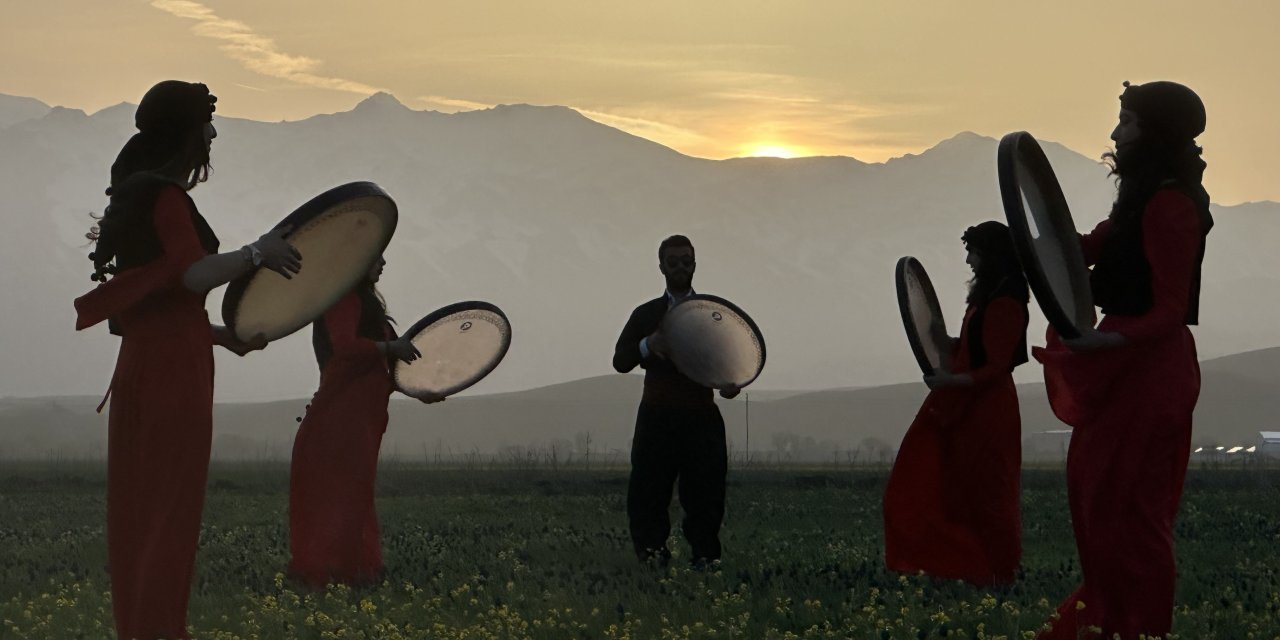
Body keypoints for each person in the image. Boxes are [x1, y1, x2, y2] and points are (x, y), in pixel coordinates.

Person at [74, 80, 300, 640]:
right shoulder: (168, 199)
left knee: (142, 513)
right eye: (207, 123)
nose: (214, 133)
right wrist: (257, 253)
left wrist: (223, 336)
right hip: (174, 380)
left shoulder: (141, 194)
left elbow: (163, 303)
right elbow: (191, 274)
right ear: (188, 132)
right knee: (169, 515)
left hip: (148, 367)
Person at [1035, 81, 1213, 640]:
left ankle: (1138, 626)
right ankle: (1109, 621)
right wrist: (1025, 247)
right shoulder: (1140, 199)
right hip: (1123, 363)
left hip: (1150, 372)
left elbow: (1169, 308)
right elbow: (1086, 246)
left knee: (1132, 514)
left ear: (1154, 131)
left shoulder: (1171, 204)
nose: (1115, 133)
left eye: (1127, 122)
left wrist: (1104, 342)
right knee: (1098, 499)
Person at [883, 221, 1030, 586]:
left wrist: (951, 380)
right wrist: (940, 342)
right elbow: (970, 351)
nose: (968, 260)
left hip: (985, 410)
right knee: (948, 488)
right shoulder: (987, 296)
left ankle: (995, 571)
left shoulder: (1007, 300)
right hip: (961, 404)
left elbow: (994, 367)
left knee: (987, 493)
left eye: (974, 253)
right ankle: (961, 566)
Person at [288, 256, 442, 589]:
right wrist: (390, 346)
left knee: (354, 496)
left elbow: (384, 371)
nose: (384, 262)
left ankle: (352, 572)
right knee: (338, 497)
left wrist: (420, 392)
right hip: (339, 420)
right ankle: (332, 572)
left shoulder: (367, 305)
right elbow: (346, 349)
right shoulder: (342, 299)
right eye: (375, 256)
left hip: (363, 420)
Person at [612, 234, 739, 568]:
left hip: (702, 417)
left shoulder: (714, 316)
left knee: (707, 495)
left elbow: (732, 364)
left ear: (695, 263)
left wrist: (731, 384)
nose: (681, 267)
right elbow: (620, 361)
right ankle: (653, 558)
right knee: (647, 494)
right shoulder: (645, 315)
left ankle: (706, 558)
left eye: (687, 260)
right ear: (661, 266)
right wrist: (647, 344)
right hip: (657, 416)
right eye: (673, 261)